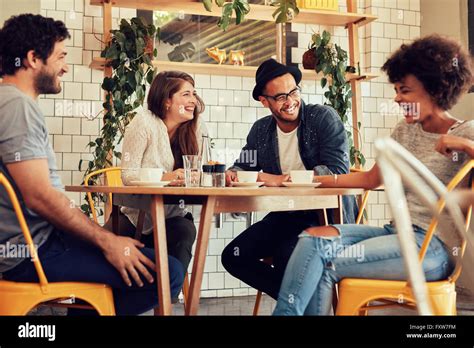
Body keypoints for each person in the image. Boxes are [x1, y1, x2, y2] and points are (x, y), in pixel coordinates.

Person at [273, 34, 474, 315]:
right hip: (395, 233)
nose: (397, 97)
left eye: (405, 90)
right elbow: (369, 179)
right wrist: (304, 178)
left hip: (433, 249)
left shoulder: (466, 132)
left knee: (327, 262)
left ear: (433, 89)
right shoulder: (404, 131)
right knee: (312, 239)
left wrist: (466, 146)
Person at [0, 14, 184, 315]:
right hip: (32, 251)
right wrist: (107, 241)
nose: (65, 67)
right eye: (60, 56)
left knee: (135, 262)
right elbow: (40, 196)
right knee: (167, 272)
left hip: (28, 245)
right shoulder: (17, 107)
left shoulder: (7, 102)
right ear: (33, 59)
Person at [221, 58, 357, 300]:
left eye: (293, 91)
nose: (291, 101)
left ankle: (301, 303)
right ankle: (303, 301)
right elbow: (243, 165)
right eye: (281, 97)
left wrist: (281, 179)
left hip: (326, 216)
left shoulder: (323, 118)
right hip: (285, 215)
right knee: (234, 256)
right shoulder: (260, 131)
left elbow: (337, 172)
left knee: (288, 256)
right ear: (265, 101)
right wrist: (233, 173)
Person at [115, 70, 208, 279]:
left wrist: (196, 177)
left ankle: (167, 293)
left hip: (174, 214)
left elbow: (201, 172)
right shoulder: (143, 123)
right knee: (104, 252)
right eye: (186, 95)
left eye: (194, 94)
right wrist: (171, 177)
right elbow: (128, 175)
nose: (193, 100)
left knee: (185, 232)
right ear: (167, 100)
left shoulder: (197, 127)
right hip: (136, 216)